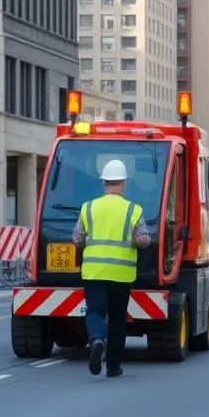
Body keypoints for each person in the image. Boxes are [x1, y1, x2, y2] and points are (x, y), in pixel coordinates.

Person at [71, 159, 152, 378]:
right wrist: (131, 241)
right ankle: (113, 366)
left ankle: (97, 339)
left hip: (94, 272)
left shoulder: (88, 207)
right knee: (117, 319)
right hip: (122, 274)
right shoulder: (133, 210)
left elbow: (77, 239)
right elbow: (144, 239)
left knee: (95, 311)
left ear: (104, 183)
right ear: (123, 183)